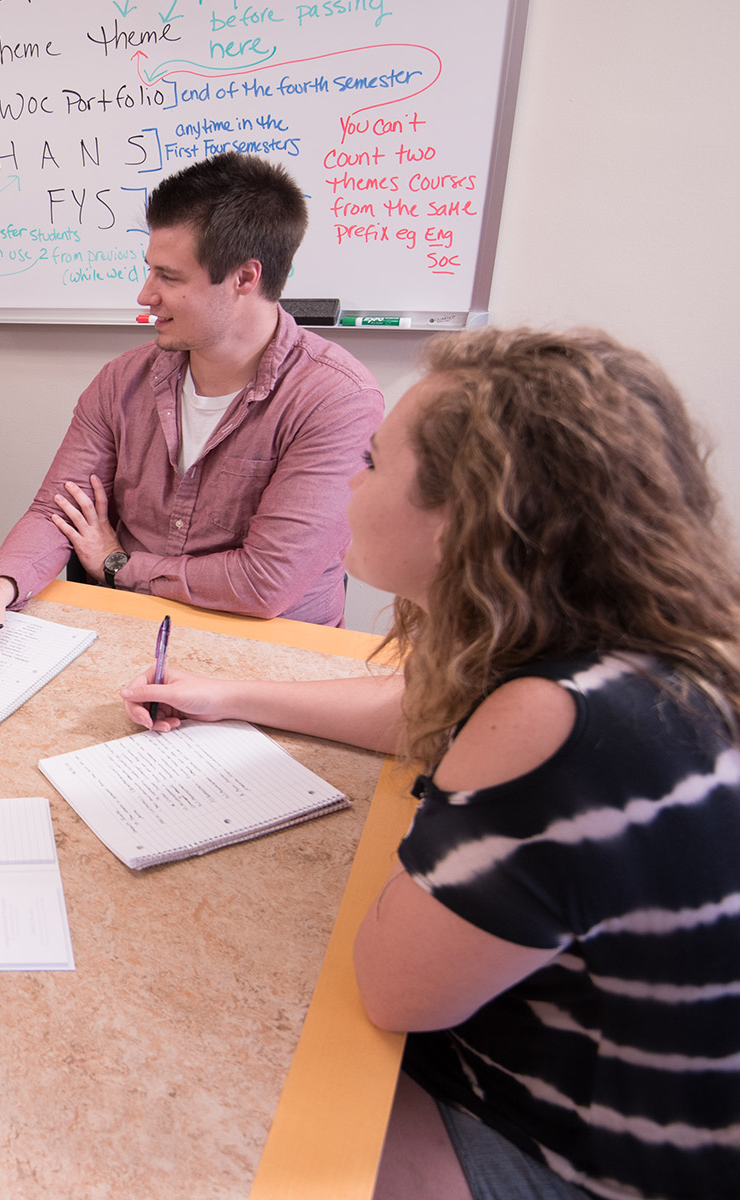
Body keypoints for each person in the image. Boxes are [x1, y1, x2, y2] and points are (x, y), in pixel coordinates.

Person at [120, 328, 740, 1200]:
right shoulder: (619, 642)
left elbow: (394, 990)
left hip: (572, 1156)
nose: (349, 482)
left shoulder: (556, 722)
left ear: (464, 519)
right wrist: (230, 695)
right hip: (601, 1082)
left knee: (204, 1089)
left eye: (371, 463)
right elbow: (414, 712)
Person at [0, 152, 382, 670]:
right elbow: (57, 510)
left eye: (170, 276)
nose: (145, 294)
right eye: (148, 271)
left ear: (245, 278)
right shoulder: (123, 381)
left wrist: (118, 563)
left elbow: (262, 583)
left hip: (269, 658)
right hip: (127, 636)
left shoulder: (337, 400)